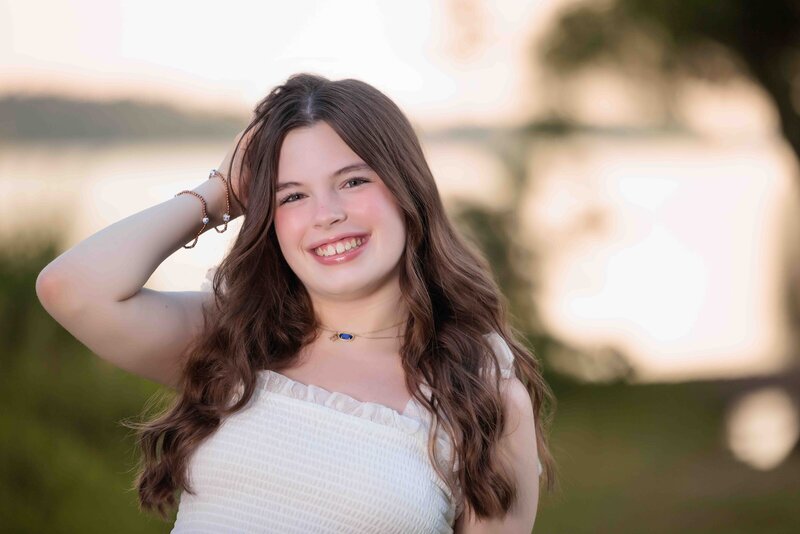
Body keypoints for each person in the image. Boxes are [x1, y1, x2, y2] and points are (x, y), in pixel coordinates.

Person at [35, 72, 556, 533]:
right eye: (292, 195)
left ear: (406, 189)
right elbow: (71, 289)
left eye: (353, 181)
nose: (326, 214)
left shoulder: (479, 395)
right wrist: (217, 192)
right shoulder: (232, 338)